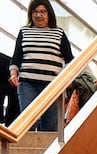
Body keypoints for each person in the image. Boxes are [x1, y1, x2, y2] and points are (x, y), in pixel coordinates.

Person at [9, 0, 74, 131]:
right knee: (27, 124)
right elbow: (16, 57)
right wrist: (13, 74)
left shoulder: (58, 33)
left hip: (52, 86)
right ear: (31, 14)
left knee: (50, 127)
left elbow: (70, 60)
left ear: (49, 14)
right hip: (27, 84)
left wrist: (65, 74)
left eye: (43, 12)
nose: (39, 15)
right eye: (35, 12)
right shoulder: (24, 31)